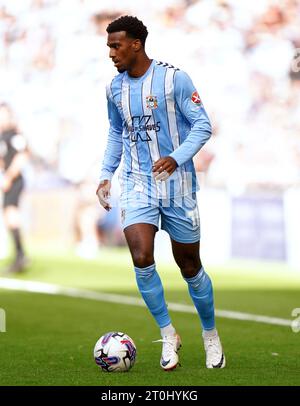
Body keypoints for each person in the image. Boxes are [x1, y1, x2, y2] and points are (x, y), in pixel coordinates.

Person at [96, 16, 225, 370]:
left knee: (189, 265)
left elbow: (203, 126)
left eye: (115, 45)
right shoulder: (114, 89)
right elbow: (115, 133)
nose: (111, 53)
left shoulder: (174, 79)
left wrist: (176, 158)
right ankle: (168, 334)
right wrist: (106, 174)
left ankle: (210, 335)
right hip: (138, 184)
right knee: (141, 256)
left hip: (178, 186)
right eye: (109, 46)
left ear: (136, 44)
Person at [0, 103, 29, 273]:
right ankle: (19, 255)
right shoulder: (3, 136)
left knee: (11, 214)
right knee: (8, 216)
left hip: (14, 181)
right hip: (7, 180)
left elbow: (23, 155)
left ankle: (20, 255)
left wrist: (9, 177)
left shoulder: (15, 135)